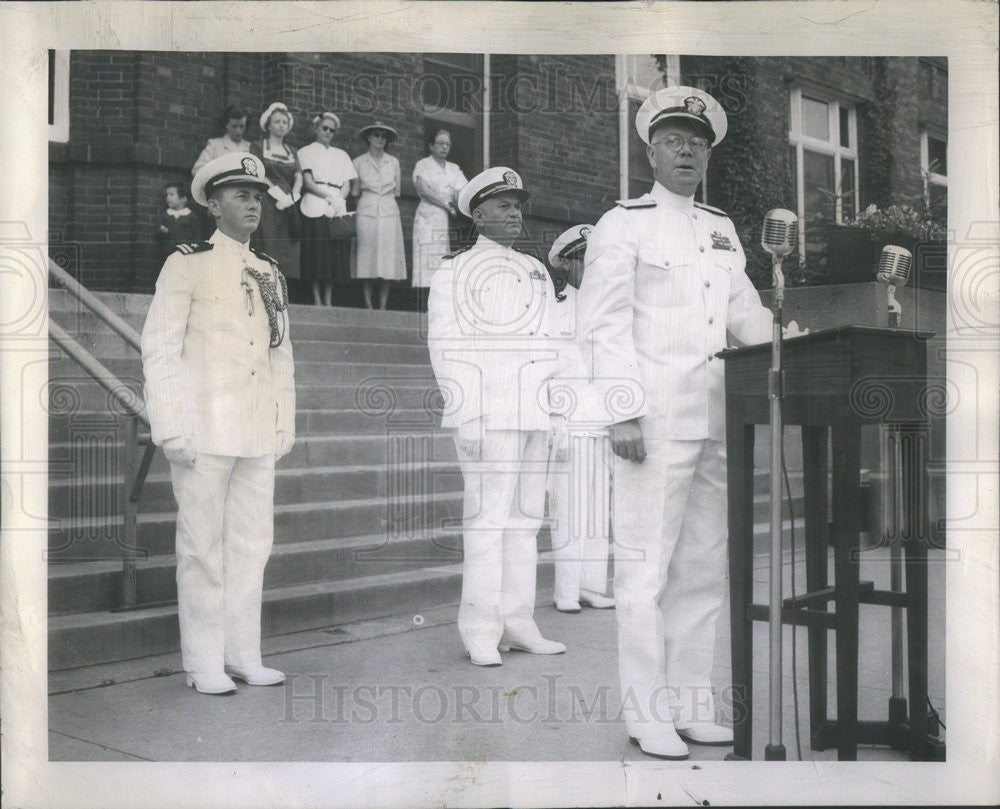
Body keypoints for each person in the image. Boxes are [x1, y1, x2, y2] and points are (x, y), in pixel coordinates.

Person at [577, 86, 772, 759]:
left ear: (708, 152)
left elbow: (746, 317)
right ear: (651, 149)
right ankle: (646, 711)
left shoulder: (722, 228)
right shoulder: (623, 222)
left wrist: (793, 340)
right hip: (653, 422)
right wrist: (622, 408)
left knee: (704, 569)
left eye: (698, 140)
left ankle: (692, 702)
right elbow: (601, 325)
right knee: (644, 570)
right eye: (674, 138)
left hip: (719, 418)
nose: (687, 149)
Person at [141, 152, 295, 695]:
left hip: (255, 430)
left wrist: (283, 423)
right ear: (212, 203)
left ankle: (243, 654)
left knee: (253, 546)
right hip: (204, 429)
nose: (252, 203)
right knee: (202, 548)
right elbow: (159, 348)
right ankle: (203, 662)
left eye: (257, 195)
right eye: (240, 194)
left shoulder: (269, 270)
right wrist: (170, 427)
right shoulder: (187, 262)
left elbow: (281, 354)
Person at [427, 167, 566, 667]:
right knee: (487, 523)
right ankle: (481, 629)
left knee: (526, 522)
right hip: (490, 413)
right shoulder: (456, 270)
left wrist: (556, 411)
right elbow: (446, 345)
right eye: (503, 205)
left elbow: (553, 345)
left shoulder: (534, 270)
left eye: (517, 205)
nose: (514, 213)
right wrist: (466, 414)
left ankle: (519, 620)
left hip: (534, 411)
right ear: (477, 214)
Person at [545, 224, 615, 615]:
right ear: (569, 262)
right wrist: (556, 416)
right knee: (569, 506)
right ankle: (566, 590)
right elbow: (549, 365)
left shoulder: (608, 308)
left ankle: (590, 584)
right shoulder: (556, 305)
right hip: (570, 418)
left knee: (597, 505)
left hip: (602, 418)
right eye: (589, 260)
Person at [297, 112, 358, 306]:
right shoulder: (305, 151)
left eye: (332, 130)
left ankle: (329, 299)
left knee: (333, 255)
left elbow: (347, 183)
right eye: (325, 128)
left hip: (336, 206)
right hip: (315, 202)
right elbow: (307, 182)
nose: (328, 132)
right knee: (316, 252)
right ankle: (316, 298)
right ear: (316, 128)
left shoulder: (341, 155)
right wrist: (329, 197)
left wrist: (339, 199)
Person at [250, 102, 303, 301]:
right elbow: (256, 171)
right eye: (277, 122)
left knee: (286, 248)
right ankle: (264, 292)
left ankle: (282, 294)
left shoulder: (293, 151)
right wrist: (274, 191)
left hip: (288, 204)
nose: (281, 125)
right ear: (269, 125)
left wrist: (294, 196)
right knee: (268, 243)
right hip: (268, 199)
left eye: (284, 122)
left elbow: (298, 175)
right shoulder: (258, 146)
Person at [352, 122, 406, 309]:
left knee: (388, 258)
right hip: (367, 210)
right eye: (376, 135)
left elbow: (397, 190)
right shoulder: (358, 162)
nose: (380, 139)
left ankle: (383, 305)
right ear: (369, 138)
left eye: (384, 136)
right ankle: (368, 303)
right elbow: (355, 190)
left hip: (389, 210)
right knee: (366, 256)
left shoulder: (393, 162)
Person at [412, 129, 467, 290]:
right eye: (440, 143)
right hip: (428, 217)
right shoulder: (423, 165)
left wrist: (456, 204)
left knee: (444, 261)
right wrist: (446, 205)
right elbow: (424, 190)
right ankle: (423, 301)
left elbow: (460, 192)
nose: (444, 147)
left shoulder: (454, 168)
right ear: (431, 146)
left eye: (447, 144)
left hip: (448, 220)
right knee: (427, 257)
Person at [191, 104, 252, 175]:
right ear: (226, 125)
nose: (238, 130)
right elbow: (197, 170)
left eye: (241, 126)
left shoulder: (250, 147)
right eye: (234, 126)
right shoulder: (215, 145)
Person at [157, 182, 202, 257]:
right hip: (167, 253)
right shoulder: (165, 215)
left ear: (183, 199)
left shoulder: (191, 216)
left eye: (171, 194)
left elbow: (197, 235)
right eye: (167, 195)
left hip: (185, 254)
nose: (167, 197)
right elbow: (157, 234)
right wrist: (162, 231)